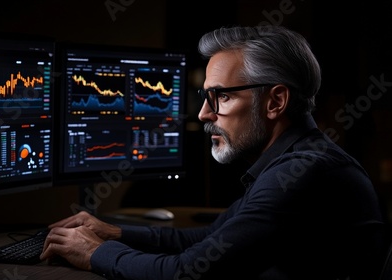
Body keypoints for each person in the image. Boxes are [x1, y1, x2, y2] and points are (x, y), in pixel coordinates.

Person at [40, 25, 386, 279]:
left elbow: (188, 273)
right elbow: (209, 238)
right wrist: (115, 233)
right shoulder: (292, 161)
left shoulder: (300, 174)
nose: (205, 114)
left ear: (275, 101)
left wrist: (95, 252)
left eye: (221, 96)